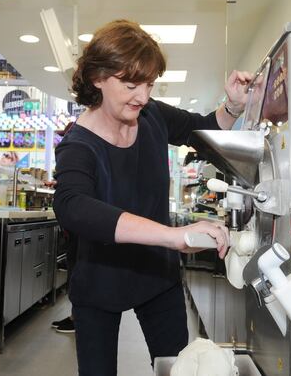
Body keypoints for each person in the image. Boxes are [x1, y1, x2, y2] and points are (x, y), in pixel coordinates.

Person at [53, 19, 252, 375]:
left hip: (156, 276)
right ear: (98, 78)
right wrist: (174, 236)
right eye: (131, 84)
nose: (142, 96)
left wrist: (233, 106)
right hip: (99, 282)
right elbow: (74, 208)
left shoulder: (152, 115)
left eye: (149, 84)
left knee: (178, 367)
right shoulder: (78, 145)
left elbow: (204, 128)